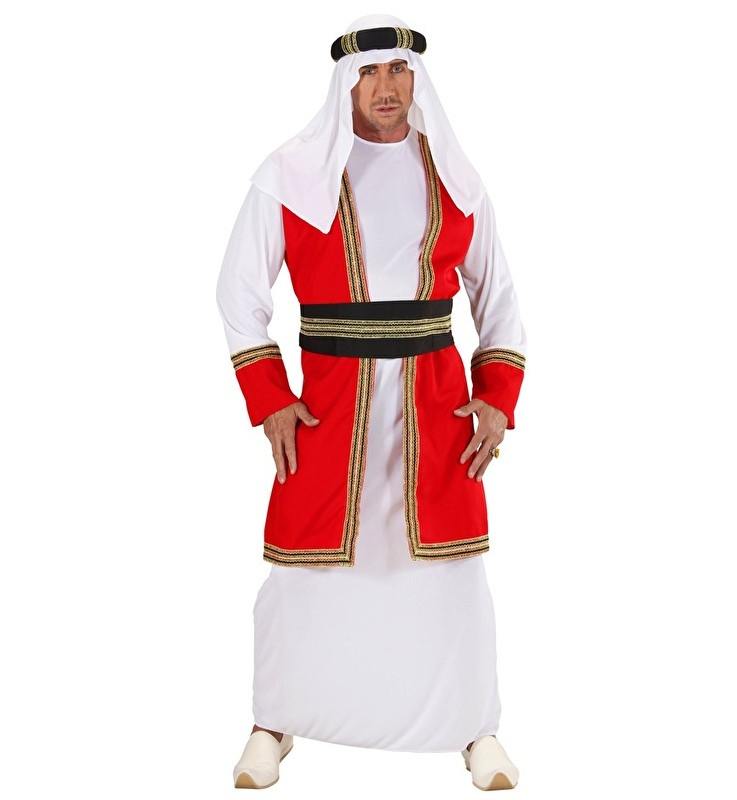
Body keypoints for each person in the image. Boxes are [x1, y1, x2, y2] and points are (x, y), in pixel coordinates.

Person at [216, 14, 526, 792]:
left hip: (434, 408)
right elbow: (238, 293)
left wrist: (495, 399)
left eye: (397, 71)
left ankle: (474, 727)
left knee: (450, 573)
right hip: (328, 412)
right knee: (302, 573)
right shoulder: (291, 173)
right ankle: (272, 722)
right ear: (344, 83)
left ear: (416, 80)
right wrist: (270, 398)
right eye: (368, 73)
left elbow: (499, 301)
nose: (385, 87)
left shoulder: (455, 175)